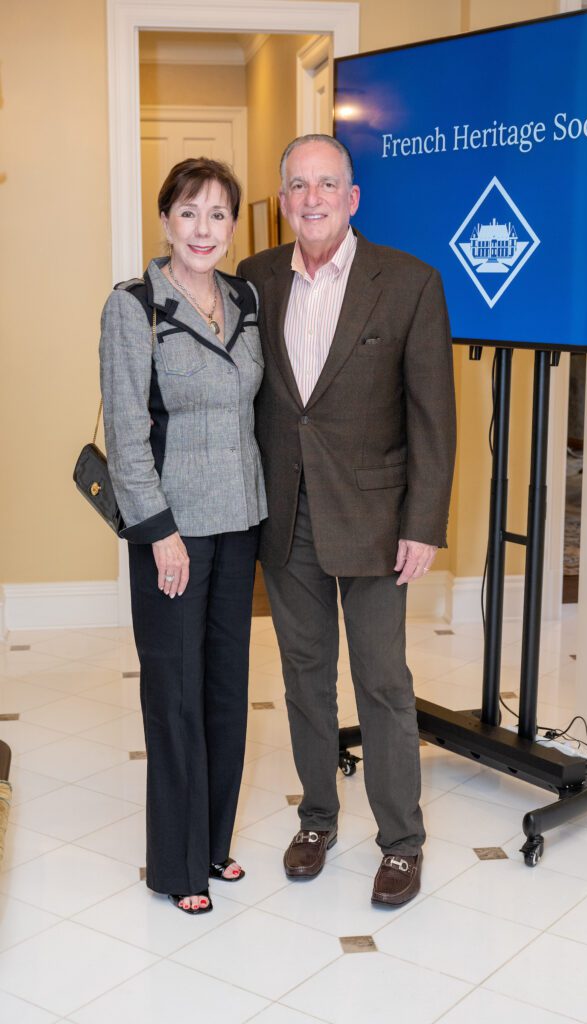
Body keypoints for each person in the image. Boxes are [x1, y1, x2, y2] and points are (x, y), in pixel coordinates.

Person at [237, 134, 455, 907]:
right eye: (298, 184)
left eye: (327, 183)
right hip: (284, 517)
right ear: (284, 199)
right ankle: (317, 819)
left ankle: (401, 841)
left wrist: (422, 523)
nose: (313, 197)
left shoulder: (409, 282)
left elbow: (434, 417)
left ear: (351, 197)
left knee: (383, 682)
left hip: (375, 518)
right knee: (303, 679)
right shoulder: (255, 279)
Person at [100, 157, 267, 914]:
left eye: (219, 214)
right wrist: (158, 532)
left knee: (227, 689)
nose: (205, 229)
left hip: (240, 525)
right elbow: (128, 432)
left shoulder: (244, 299)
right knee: (174, 694)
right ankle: (176, 867)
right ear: (166, 219)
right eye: (190, 213)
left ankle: (214, 844)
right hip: (173, 530)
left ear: (232, 225)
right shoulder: (133, 306)